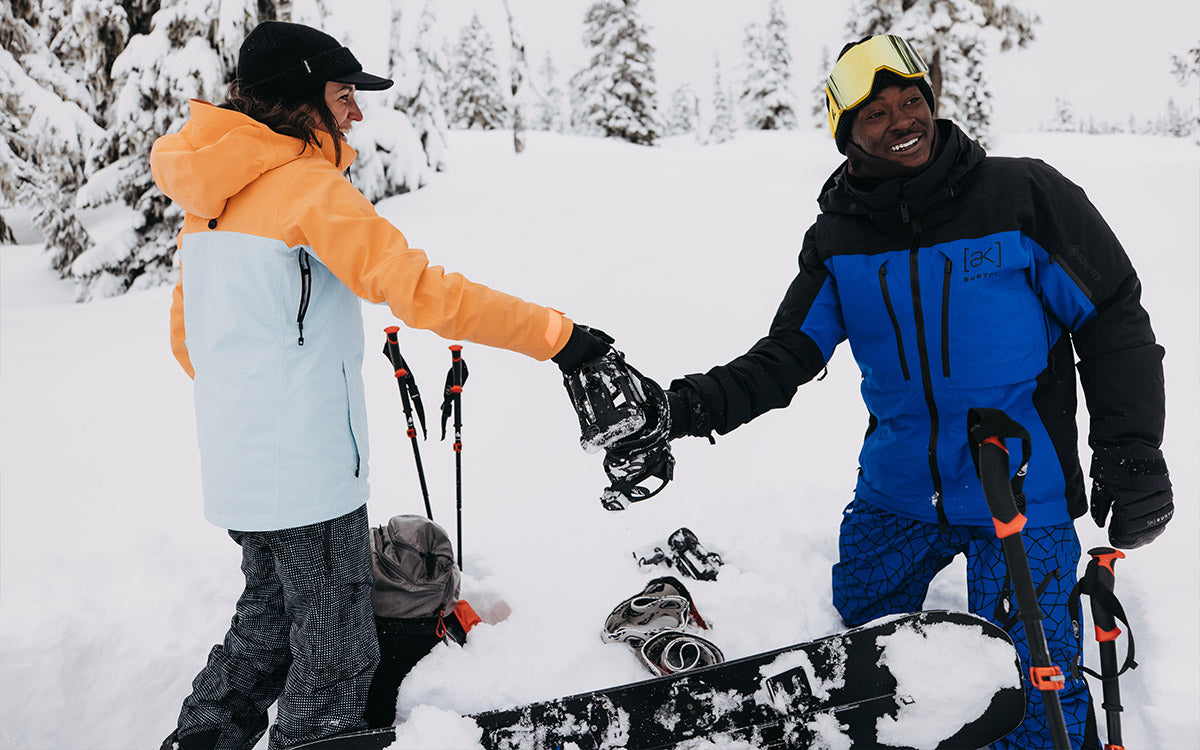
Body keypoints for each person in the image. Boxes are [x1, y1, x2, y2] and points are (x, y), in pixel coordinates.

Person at [656, 34, 1173, 750]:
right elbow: (787, 354)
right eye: (876, 115)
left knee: (1034, 704)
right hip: (899, 492)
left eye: (911, 101)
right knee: (862, 666)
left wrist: (1132, 446)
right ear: (847, 137)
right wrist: (682, 407)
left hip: (1023, 493)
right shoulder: (838, 240)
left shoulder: (1023, 195)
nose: (903, 120)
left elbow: (1112, 312)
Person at [151, 20, 608, 750]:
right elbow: (420, 291)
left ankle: (204, 735)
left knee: (268, 622)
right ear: (304, 99)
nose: (356, 112)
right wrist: (558, 336)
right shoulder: (306, 189)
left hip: (240, 471)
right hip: (307, 476)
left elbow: (190, 343)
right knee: (336, 650)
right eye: (343, 96)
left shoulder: (207, 206)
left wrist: (255, 412)